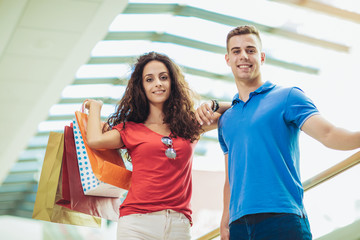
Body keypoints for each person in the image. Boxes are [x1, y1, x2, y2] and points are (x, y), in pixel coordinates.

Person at [208, 25, 360, 240]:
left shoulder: (288, 97)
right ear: (227, 59)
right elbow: (231, 177)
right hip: (240, 226)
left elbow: (329, 134)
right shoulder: (226, 119)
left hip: (282, 218)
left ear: (261, 57)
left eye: (250, 50)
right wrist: (226, 219)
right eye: (236, 51)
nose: (243, 56)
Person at [84, 52, 229, 240]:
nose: (158, 83)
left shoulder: (190, 125)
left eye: (163, 77)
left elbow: (236, 110)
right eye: (149, 79)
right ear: (141, 87)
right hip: (136, 224)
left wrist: (214, 104)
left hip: (178, 224)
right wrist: (96, 107)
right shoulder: (130, 129)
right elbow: (95, 140)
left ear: (173, 83)